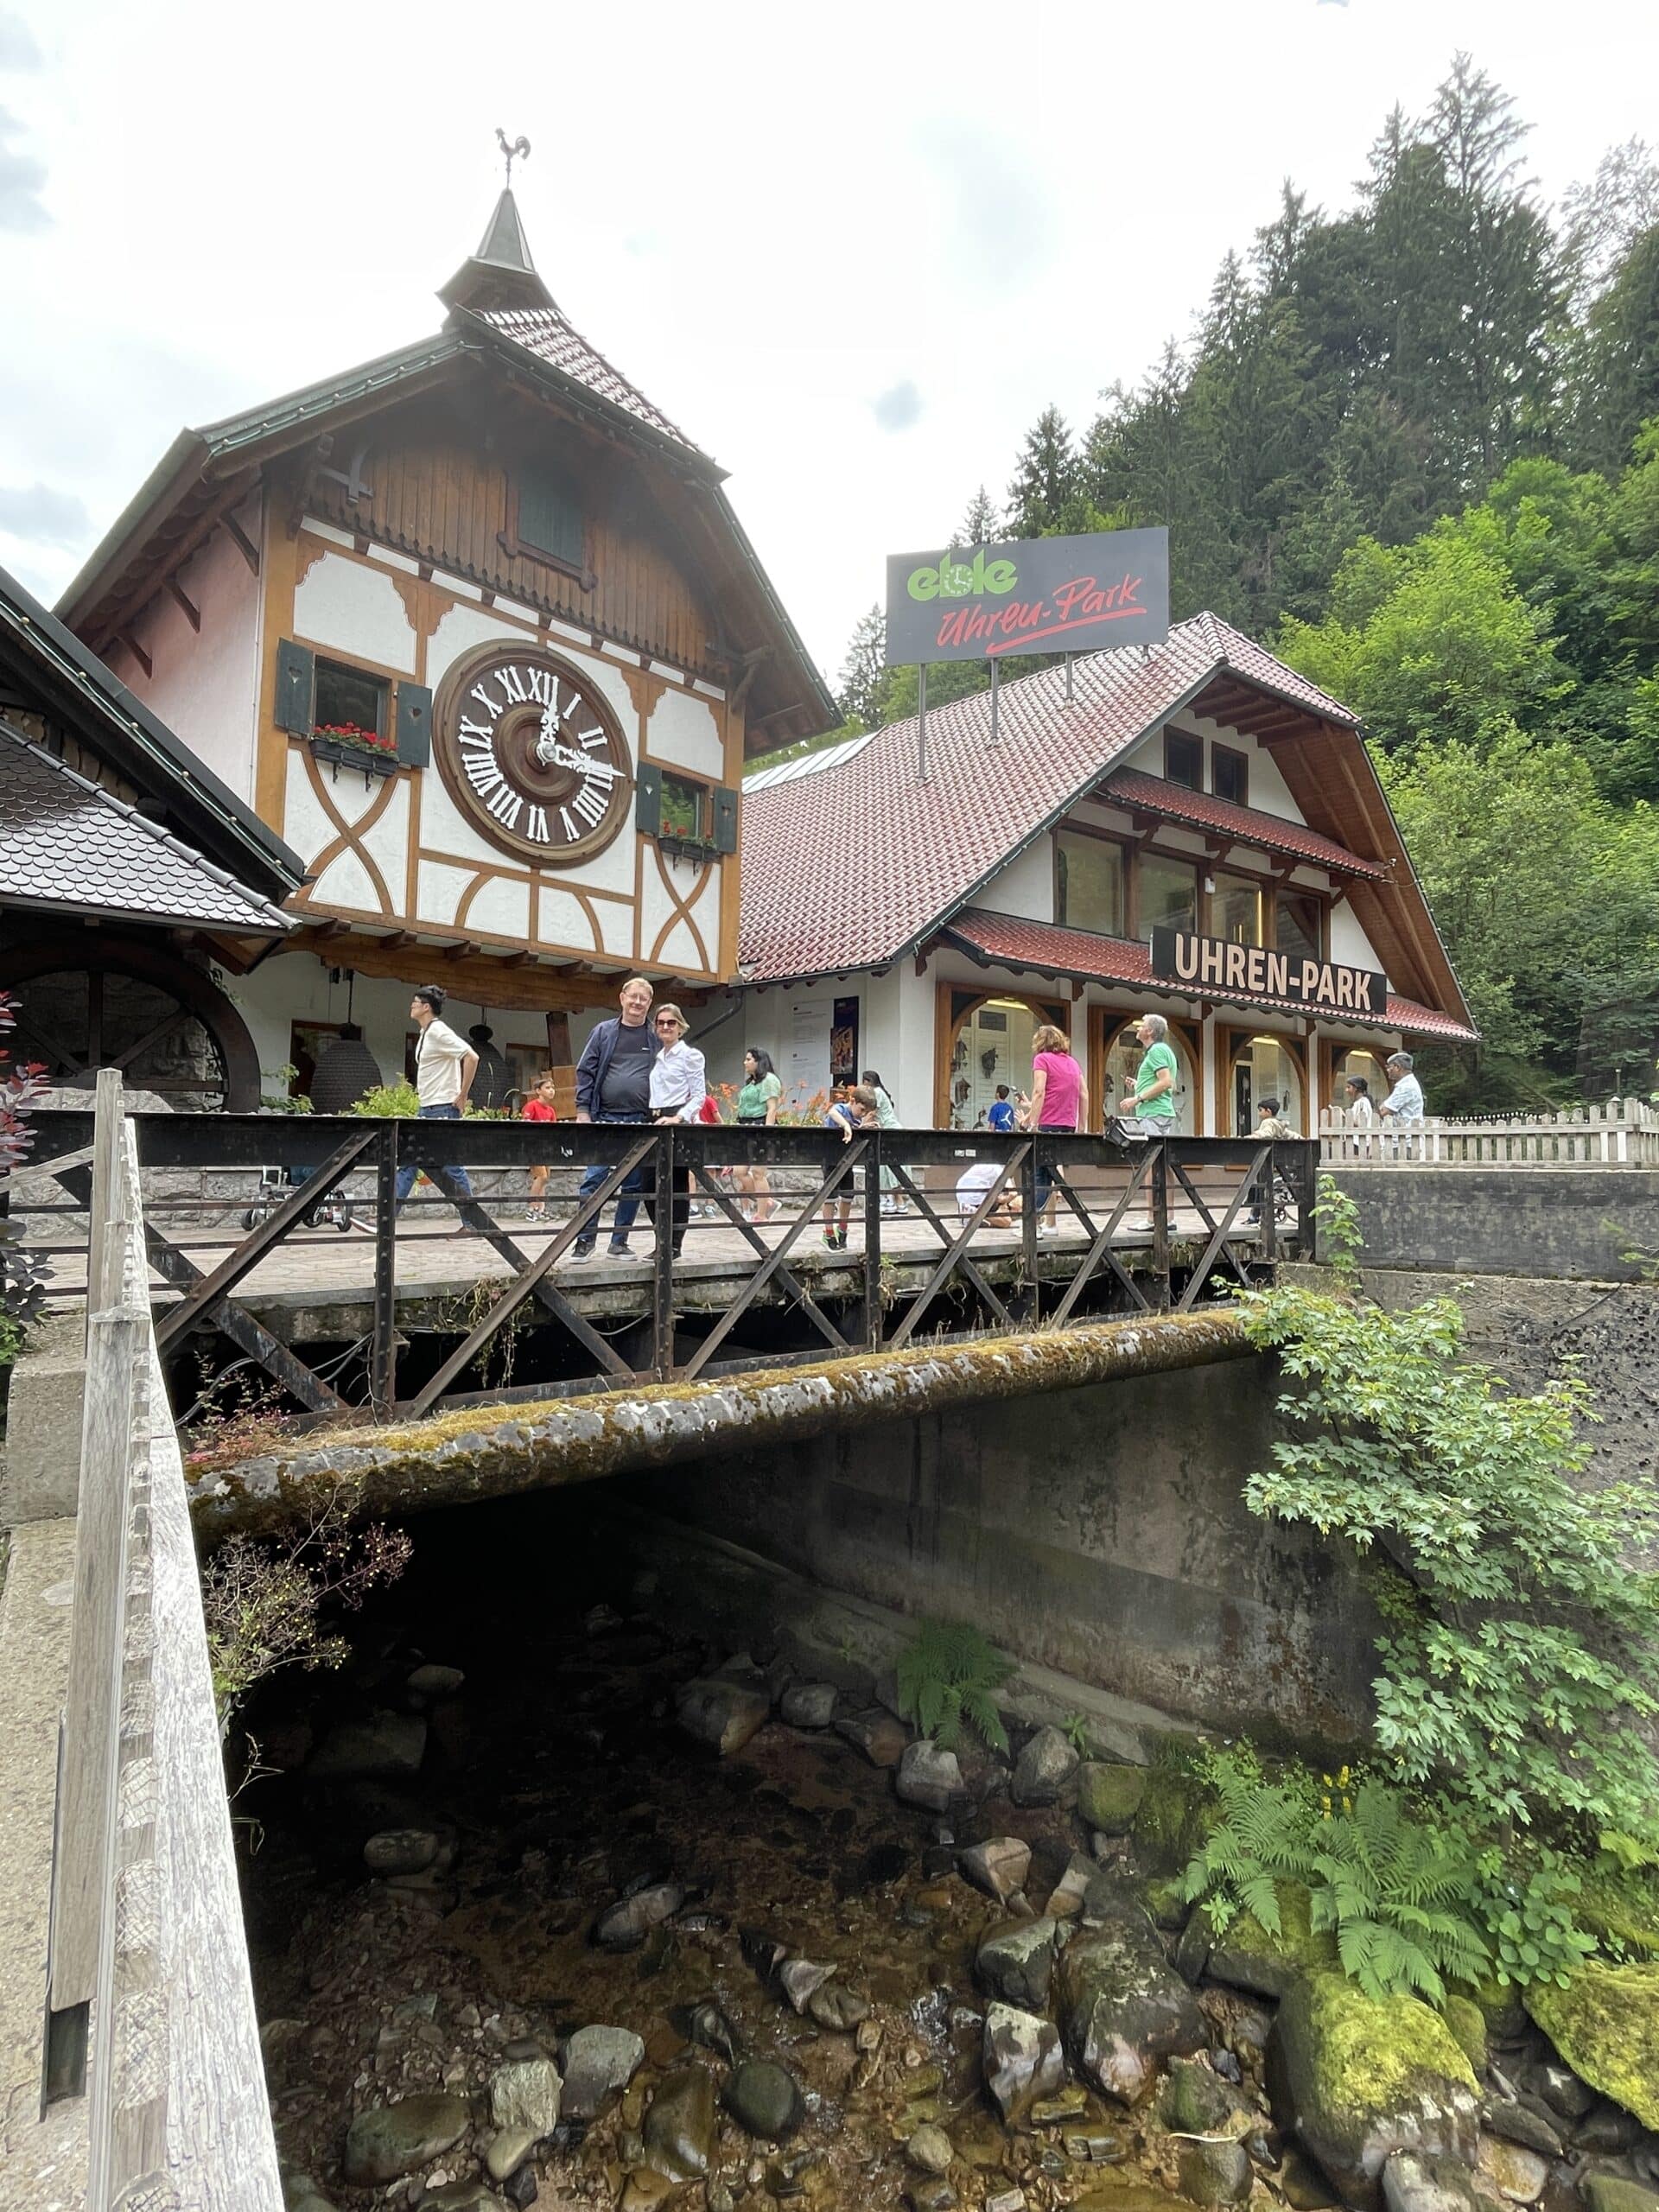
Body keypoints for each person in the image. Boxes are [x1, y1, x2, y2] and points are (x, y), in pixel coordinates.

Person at [569, 976, 659, 1260]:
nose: (637, 1002)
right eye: (633, 996)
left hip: (640, 1122)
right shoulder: (603, 1032)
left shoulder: (655, 1036)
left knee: (633, 1184)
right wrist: (583, 1111)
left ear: (650, 1003)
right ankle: (585, 1241)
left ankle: (619, 1242)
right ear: (622, 998)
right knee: (593, 1180)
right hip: (604, 1119)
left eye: (643, 998)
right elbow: (586, 1071)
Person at [392, 986, 478, 1218]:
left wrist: (463, 1094)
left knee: (451, 1167)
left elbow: (471, 1056)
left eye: (415, 1002)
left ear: (426, 1007)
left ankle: (473, 1222)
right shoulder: (425, 1033)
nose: (412, 1006)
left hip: (442, 1108)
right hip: (427, 1107)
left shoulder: (438, 1031)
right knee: (409, 1161)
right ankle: (387, 1216)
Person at [644, 1003, 707, 1262]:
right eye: (661, 1023)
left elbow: (700, 1096)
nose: (666, 1027)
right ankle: (663, 1239)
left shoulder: (690, 1055)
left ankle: (674, 1245)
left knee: (677, 1183)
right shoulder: (659, 1057)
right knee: (647, 1184)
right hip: (655, 1118)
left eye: (671, 1023)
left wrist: (678, 1117)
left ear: (680, 1027)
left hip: (675, 1119)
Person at [1121, 1014, 1179, 1234]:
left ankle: (1152, 1217)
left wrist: (1138, 1098)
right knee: (1164, 1165)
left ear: (1151, 1032)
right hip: (1163, 1112)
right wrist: (1139, 1086)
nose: (1138, 1028)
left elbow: (1166, 1082)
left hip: (1152, 1114)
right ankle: (1168, 1216)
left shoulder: (1155, 1051)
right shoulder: (1165, 1052)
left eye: (1142, 1026)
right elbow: (1163, 1083)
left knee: (1150, 1164)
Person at [1026, 1024, 1086, 1236]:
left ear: (1040, 1042)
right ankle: (1049, 1224)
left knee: (1039, 1175)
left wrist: (1032, 1123)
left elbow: (1039, 1091)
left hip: (1048, 1123)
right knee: (1053, 1173)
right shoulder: (1073, 1063)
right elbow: (1084, 1095)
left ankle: (1032, 1225)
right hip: (1068, 1124)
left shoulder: (1041, 1060)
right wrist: (1082, 1126)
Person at [821, 1082, 878, 1249]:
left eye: (866, 1112)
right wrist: (846, 1125)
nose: (862, 1114)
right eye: (861, 1110)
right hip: (830, 1159)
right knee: (830, 1197)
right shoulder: (842, 1109)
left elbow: (856, 1130)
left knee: (847, 1197)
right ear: (852, 1101)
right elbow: (832, 1112)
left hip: (847, 1161)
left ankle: (843, 1230)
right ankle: (828, 1233)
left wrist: (863, 1127)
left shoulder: (857, 1118)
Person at [734, 1047, 783, 1224]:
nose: (745, 1062)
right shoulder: (751, 1083)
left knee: (758, 1171)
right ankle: (767, 1201)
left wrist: (767, 1132)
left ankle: (762, 1214)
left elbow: (772, 1108)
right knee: (739, 1171)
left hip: (760, 1125)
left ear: (758, 1061)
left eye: (749, 1059)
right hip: (745, 1126)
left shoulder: (769, 1080)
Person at [1240, 1096, 1297, 1227]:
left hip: (1264, 1158)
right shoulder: (1279, 1124)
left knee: (1258, 1187)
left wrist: (1250, 1137)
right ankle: (1256, 1216)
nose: (1259, 1113)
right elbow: (1290, 1135)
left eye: (1261, 1110)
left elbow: (1265, 1133)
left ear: (1268, 1111)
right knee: (1261, 1187)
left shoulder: (1268, 1123)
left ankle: (1254, 1216)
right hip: (1274, 1160)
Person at [862, 1065, 906, 1216]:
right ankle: (896, 1202)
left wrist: (860, 1124)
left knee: (887, 1166)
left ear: (868, 1082)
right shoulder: (881, 1092)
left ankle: (890, 1200)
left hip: (888, 1130)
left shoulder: (876, 1093)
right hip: (891, 1130)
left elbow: (872, 1113)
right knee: (891, 1165)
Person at [520, 1070, 560, 1223]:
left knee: (544, 1178)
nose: (551, 1091)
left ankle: (541, 1209)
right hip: (534, 1147)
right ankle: (531, 1208)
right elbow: (526, 1126)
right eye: (548, 1088)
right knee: (541, 1176)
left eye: (552, 1088)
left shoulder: (551, 1110)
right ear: (538, 1091)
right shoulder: (531, 1107)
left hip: (547, 1148)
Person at [955, 1156, 1021, 1230]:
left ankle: (975, 1213)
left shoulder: (988, 1162)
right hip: (975, 1198)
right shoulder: (999, 1170)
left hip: (963, 1194)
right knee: (1006, 1222)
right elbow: (1013, 1193)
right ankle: (974, 1213)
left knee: (1004, 1203)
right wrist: (1003, 1201)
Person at [1379, 1052, 1425, 1128]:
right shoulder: (1407, 1084)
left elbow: (1384, 1111)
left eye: (1389, 1067)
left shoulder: (1406, 1087)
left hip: (1406, 1137)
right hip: (1404, 1135)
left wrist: (1383, 1106)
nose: (1387, 1070)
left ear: (1397, 1067)